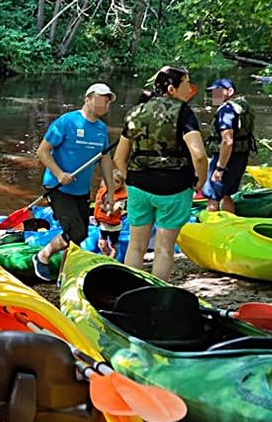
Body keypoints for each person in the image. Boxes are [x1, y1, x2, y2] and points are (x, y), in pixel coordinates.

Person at [114, 66, 207, 281]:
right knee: (164, 250)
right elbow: (199, 155)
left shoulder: (135, 112)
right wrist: (199, 181)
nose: (190, 88)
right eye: (186, 83)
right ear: (172, 88)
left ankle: (131, 292)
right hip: (174, 188)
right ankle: (156, 297)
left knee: (136, 246)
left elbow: (119, 158)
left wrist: (131, 180)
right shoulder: (183, 112)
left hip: (138, 186)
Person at [32, 83, 118, 282]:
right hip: (58, 186)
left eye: (108, 100)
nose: (105, 103)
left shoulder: (101, 129)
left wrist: (111, 193)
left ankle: (63, 275)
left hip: (81, 190)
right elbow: (42, 151)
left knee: (78, 236)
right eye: (102, 98)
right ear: (88, 98)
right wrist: (60, 173)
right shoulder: (67, 122)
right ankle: (42, 256)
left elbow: (104, 160)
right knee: (75, 232)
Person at [203, 77, 256, 213]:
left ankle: (211, 228)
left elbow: (227, 141)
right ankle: (229, 226)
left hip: (226, 159)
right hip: (240, 157)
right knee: (226, 195)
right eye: (213, 92)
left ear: (230, 91)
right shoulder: (243, 106)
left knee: (213, 197)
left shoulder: (226, 110)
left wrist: (219, 168)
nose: (214, 95)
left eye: (218, 91)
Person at [93, 167, 127, 258]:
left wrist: (103, 207)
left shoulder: (121, 199)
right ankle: (107, 257)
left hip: (114, 227)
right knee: (102, 244)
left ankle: (112, 259)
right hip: (104, 225)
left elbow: (115, 212)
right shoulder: (103, 192)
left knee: (113, 245)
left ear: (121, 185)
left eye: (117, 181)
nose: (113, 184)